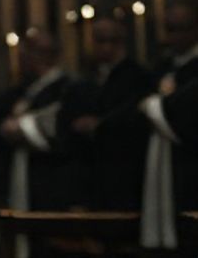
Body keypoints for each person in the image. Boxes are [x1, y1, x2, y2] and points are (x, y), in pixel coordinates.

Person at [57, 17, 152, 210]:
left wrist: (101, 125)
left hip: (123, 176)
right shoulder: (83, 81)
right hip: (88, 174)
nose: (106, 47)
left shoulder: (136, 77)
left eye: (112, 41)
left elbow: (137, 116)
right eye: (100, 40)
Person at [0, 29, 77, 213]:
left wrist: (21, 126)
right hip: (20, 174)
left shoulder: (67, 89)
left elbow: (58, 127)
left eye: (27, 51)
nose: (21, 57)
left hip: (51, 178)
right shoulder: (22, 90)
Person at [136, 0, 198, 250]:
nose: (173, 36)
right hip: (160, 159)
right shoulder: (161, 66)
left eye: (180, 28)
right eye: (169, 28)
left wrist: (155, 107)